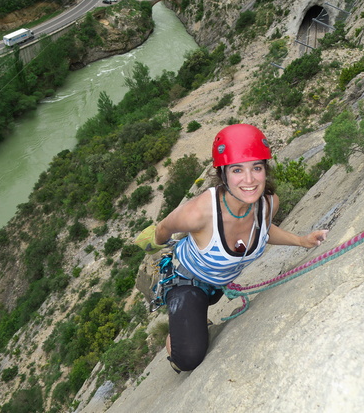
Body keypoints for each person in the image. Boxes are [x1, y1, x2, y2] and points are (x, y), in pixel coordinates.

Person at [135, 124, 328, 373]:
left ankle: (193, 319)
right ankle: (178, 334)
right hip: (186, 281)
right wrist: (155, 242)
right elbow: (163, 228)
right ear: (223, 174)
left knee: (204, 308)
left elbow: (264, 230)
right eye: (237, 170)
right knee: (188, 359)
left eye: (256, 168)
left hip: (218, 284)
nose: (249, 180)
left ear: (264, 170)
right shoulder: (199, 212)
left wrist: (302, 241)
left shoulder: (268, 204)